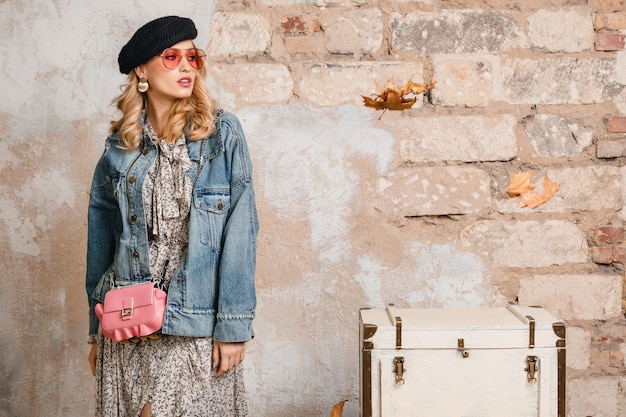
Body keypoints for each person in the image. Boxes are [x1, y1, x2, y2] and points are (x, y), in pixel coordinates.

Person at [85, 16, 258, 417]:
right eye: (172, 56)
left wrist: (232, 326)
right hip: (128, 316)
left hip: (192, 315)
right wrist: (96, 332)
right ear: (141, 70)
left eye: (193, 56)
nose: (186, 65)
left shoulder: (221, 134)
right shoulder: (120, 147)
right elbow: (101, 241)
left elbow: (241, 231)